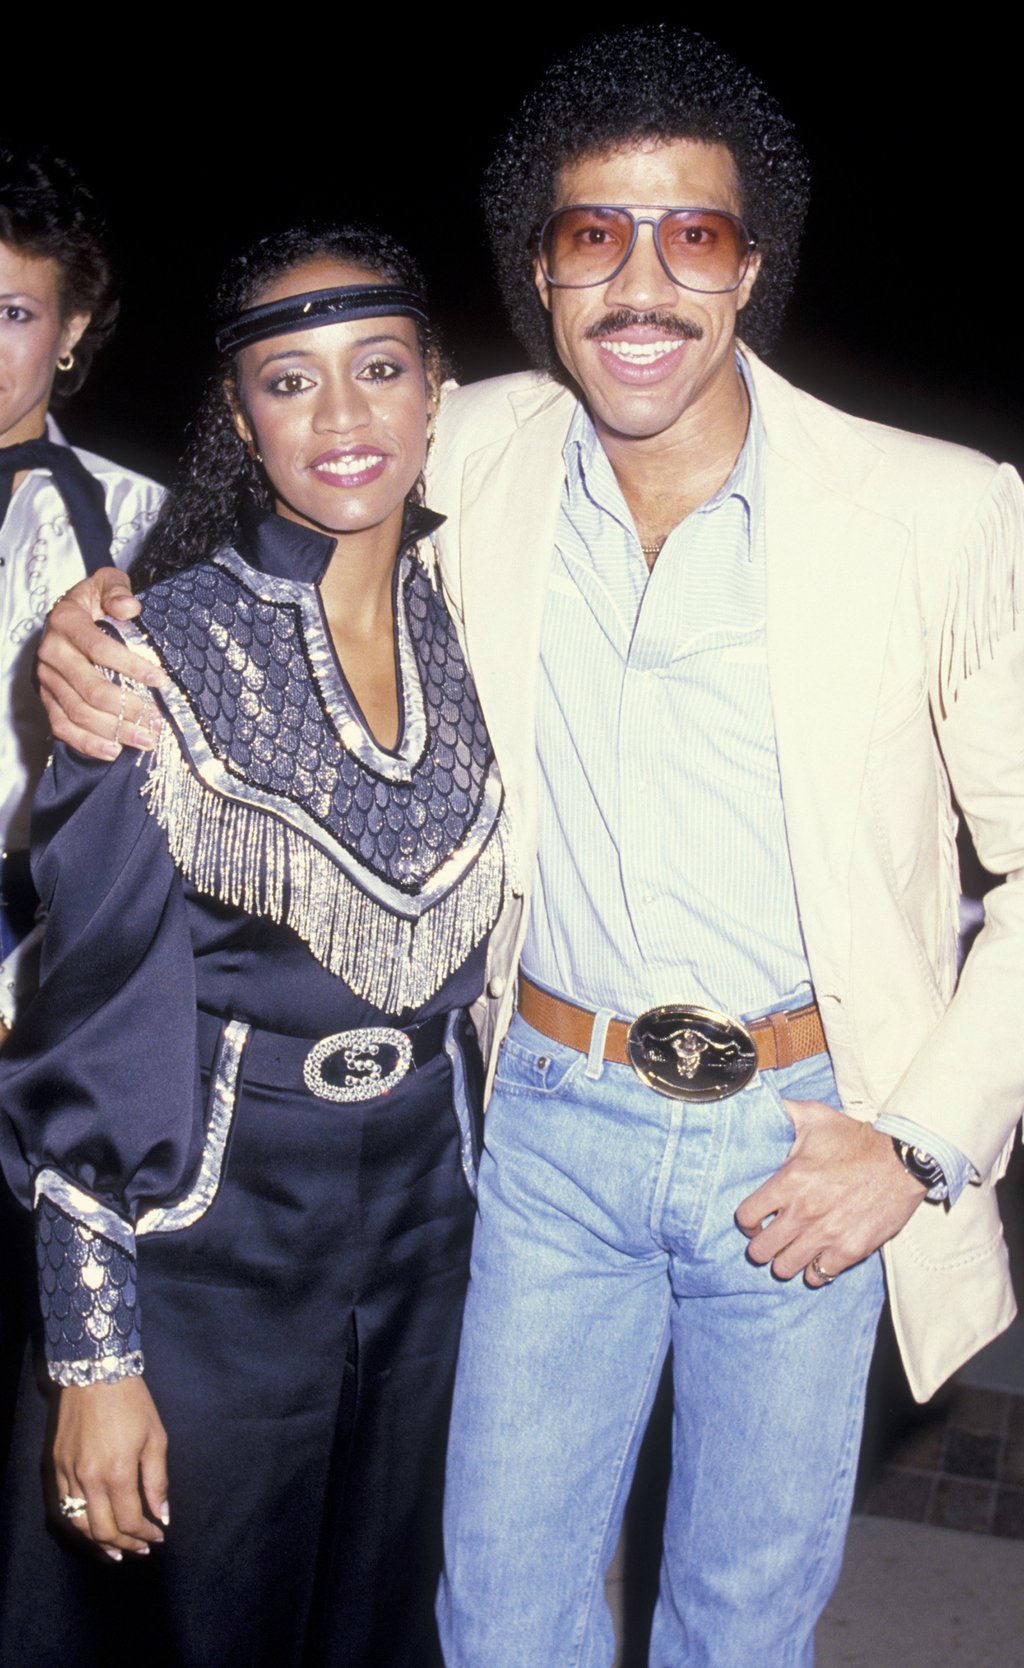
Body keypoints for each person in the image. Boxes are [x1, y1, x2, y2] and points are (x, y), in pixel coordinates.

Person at [34, 26, 1024, 1666]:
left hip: (803, 1143)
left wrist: (911, 1138)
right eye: (592, 236)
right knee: (494, 1620)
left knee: (735, 1625)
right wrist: (97, 608)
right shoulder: (467, 441)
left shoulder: (934, 511)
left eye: (688, 234)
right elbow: (274, 469)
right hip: (545, 1129)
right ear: (542, 272)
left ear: (747, 264)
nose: (640, 281)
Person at [0, 221, 514, 1668]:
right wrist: (95, 1362)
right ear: (240, 416)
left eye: (380, 370)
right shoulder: (146, 653)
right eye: (290, 382)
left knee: (387, 1615)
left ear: (437, 392)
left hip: (441, 1245)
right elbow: (89, 1027)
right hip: (210, 1256)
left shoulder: (494, 614)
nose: (344, 418)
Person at [0, 140, 162, 1039]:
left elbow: (161, 826)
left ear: (68, 331)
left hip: (47, 976)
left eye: (11, 312)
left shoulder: (147, 528)